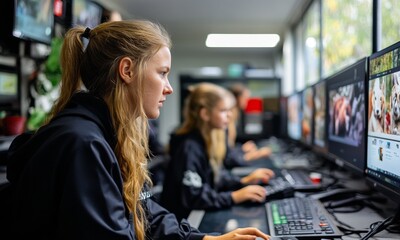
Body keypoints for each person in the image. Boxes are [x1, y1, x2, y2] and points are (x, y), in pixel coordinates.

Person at [4, 20, 270, 240]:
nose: (169, 87)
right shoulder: (84, 143)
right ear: (127, 70)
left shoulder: (114, 134)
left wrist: (204, 239)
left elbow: (142, 210)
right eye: (162, 73)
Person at [161, 82, 275, 221]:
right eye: (223, 111)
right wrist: (234, 196)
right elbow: (193, 196)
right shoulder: (189, 147)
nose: (230, 115)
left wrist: (242, 181)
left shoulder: (205, 139)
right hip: (184, 223)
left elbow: (213, 176)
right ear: (205, 114)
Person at [227, 83, 272, 166]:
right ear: (238, 98)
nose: (247, 101)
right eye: (246, 98)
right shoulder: (229, 118)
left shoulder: (235, 115)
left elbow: (229, 149)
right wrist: (257, 154)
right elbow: (229, 159)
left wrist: (242, 149)